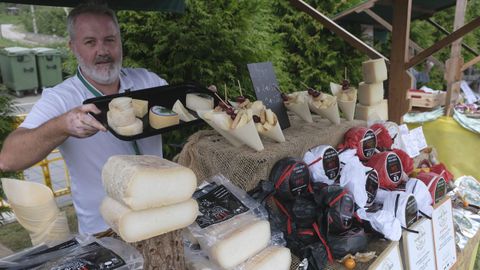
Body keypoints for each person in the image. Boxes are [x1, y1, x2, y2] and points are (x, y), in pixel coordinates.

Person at [0, 3, 167, 235]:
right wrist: (62, 125)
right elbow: (8, 159)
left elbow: (185, 105)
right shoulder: (61, 98)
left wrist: (209, 100)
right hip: (106, 230)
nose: (103, 50)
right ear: (72, 46)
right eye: (90, 42)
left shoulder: (147, 81)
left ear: (120, 41)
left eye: (110, 40)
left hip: (161, 215)